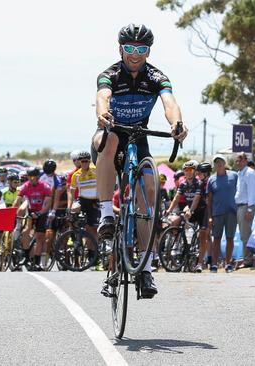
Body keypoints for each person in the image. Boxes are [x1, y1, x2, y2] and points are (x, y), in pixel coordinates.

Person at [91, 23, 188, 297]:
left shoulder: (157, 77)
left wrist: (177, 123)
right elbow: (102, 96)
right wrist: (102, 114)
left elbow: (170, 103)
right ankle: (107, 214)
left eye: (141, 49)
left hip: (138, 137)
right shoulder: (109, 74)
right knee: (109, 141)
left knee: (149, 189)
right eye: (130, 48)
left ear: (148, 51)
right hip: (110, 132)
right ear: (120, 49)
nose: (135, 54)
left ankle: (145, 269)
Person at [12, 167, 52, 270]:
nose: (31, 179)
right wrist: (12, 211)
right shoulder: (25, 186)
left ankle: (37, 261)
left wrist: (40, 213)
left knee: (39, 236)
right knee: (25, 232)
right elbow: (17, 200)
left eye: (33, 177)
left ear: (38, 177)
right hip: (31, 211)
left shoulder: (45, 187)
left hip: (42, 212)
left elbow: (47, 204)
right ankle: (26, 256)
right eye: (29, 177)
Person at [207, 154, 238, 273]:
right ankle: (214, 264)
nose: (219, 164)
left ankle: (228, 264)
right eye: (216, 162)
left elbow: (240, 191)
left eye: (221, 162)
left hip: (232, 212)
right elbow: (209, 200)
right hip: (217, 213)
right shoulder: (211, 179)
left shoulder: (234, 176)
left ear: (225, 164)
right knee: (217, 239)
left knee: (230, 238)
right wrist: (210, 217)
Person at [67, 151, 99, 257]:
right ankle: (73, 235)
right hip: (83, 199)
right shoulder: (76, 175)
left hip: (95, 201)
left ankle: (92, 253)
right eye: (82, 161)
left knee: (92, 230)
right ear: (80, 162)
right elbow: (71, 193)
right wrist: (70, 206)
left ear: (90, 161)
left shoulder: (96, 171)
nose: (85, 163)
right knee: (73, 210)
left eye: (86, 161)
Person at [234, 152, 255, 268]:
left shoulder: (249, 173)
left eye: (240, 160)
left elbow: (253, 192)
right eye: (236, 160)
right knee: (244, 234)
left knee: (245, 235)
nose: (237, 163)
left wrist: (250, 209)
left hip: (246, 206)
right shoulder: (240, 173)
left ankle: (248, 260)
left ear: (245, 161)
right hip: (240, 206)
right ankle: (247, 258)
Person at [194, 162, 212, 272]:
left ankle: (201, 263)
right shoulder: (200, 182)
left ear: (205, 173)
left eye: (199, 172)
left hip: (206, 212)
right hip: (199, 210)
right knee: (205, 238)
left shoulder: (209, 182)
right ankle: (207, 260)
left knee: (204, 238)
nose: (197, 174)